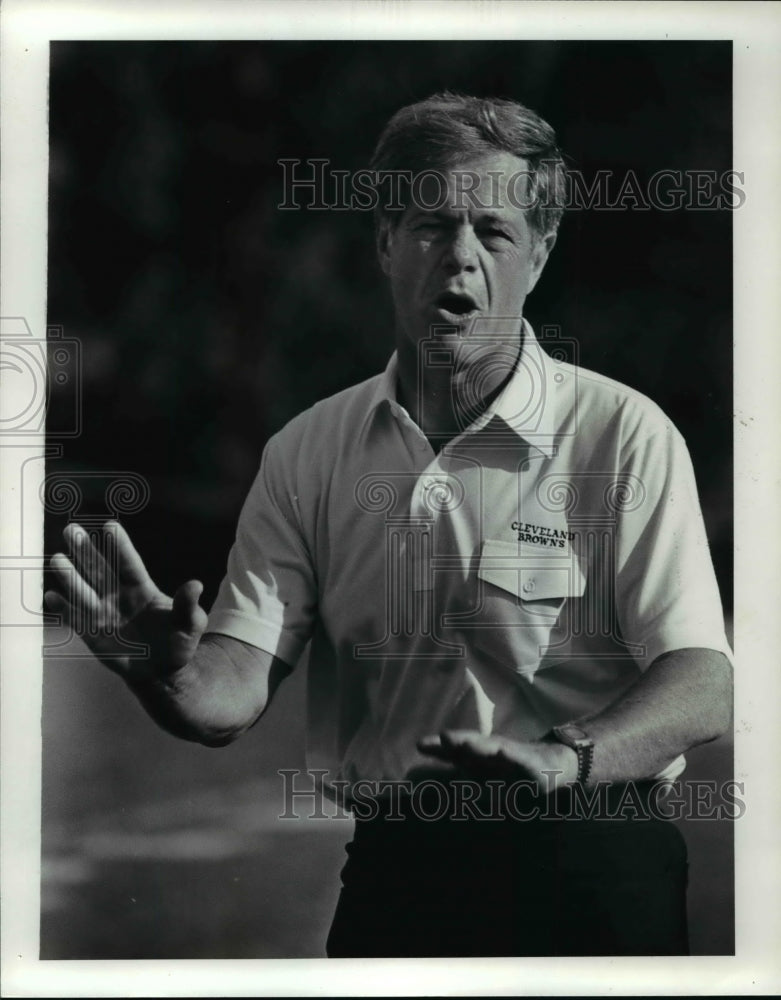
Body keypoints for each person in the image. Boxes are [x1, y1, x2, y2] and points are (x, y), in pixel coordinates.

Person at [46, 93, 733, 957]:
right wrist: (168, 678)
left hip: (590, 853)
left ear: (540, 254)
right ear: (382, 242)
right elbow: (228, 695)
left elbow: (703, 682)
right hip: (396, 870)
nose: (459, 259)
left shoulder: (620, 435)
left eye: (494, 232)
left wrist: (565, 761)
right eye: (428, 227)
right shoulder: (307, 451)